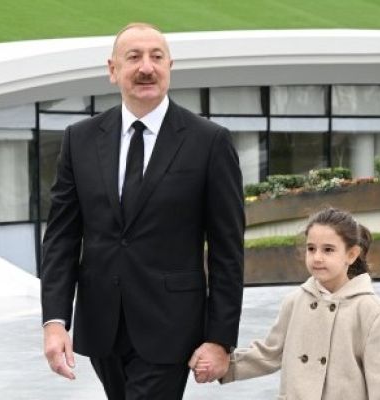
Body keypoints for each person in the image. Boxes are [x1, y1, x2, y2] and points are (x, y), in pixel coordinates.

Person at [40, 22, 245, 399]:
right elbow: (61, 238)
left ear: (170, 66)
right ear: (113, 69)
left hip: (172, 327)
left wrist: (220, 339)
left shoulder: (209, 142)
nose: (146, 67)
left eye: (156, 57)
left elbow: (227, 250)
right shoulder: (79, 140)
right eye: (133, 57)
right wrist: (55, 322)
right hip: (102, 325)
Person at [193, 207, 380, 399]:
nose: (317, 257)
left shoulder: (371, 310)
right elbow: (269, 354)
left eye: (328, 249)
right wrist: (222, 365)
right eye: (311, 248)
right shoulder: (295, 302)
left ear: (351, 254)